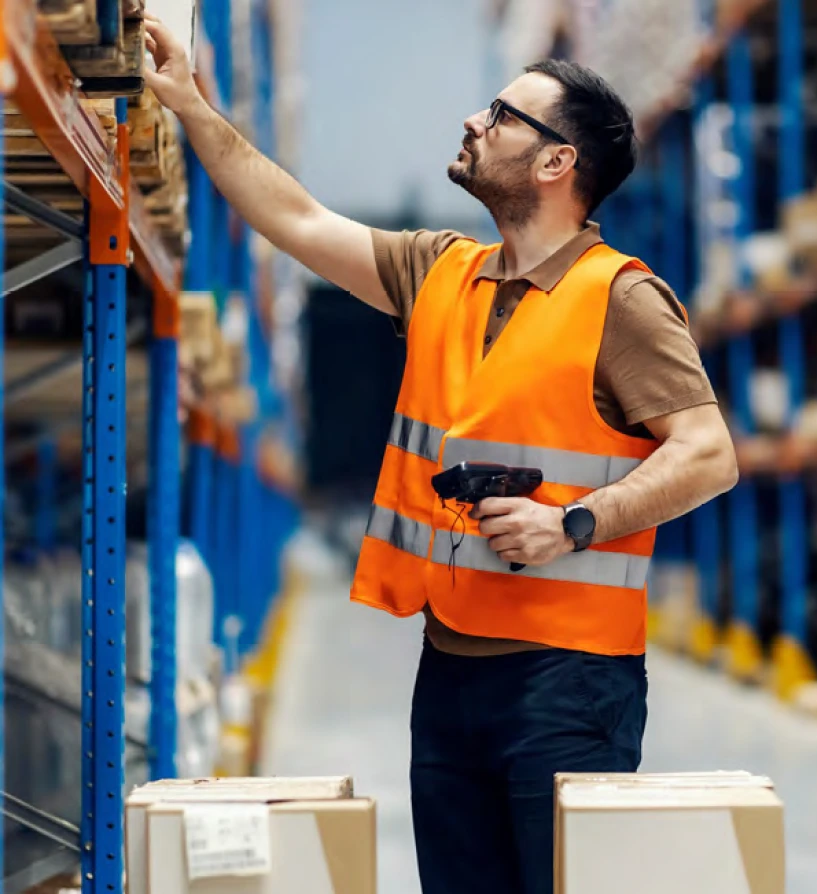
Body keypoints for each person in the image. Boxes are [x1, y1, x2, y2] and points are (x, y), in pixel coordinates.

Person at [142, 16, 739, 894]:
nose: (472, 120)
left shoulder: (623, 300)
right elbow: (298, 220)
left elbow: (708, 455)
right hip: (449, 677)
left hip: (569, 691)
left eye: (502, 116)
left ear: (555, 164)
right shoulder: (442, 273)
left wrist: (573, 523)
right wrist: (191, 104)